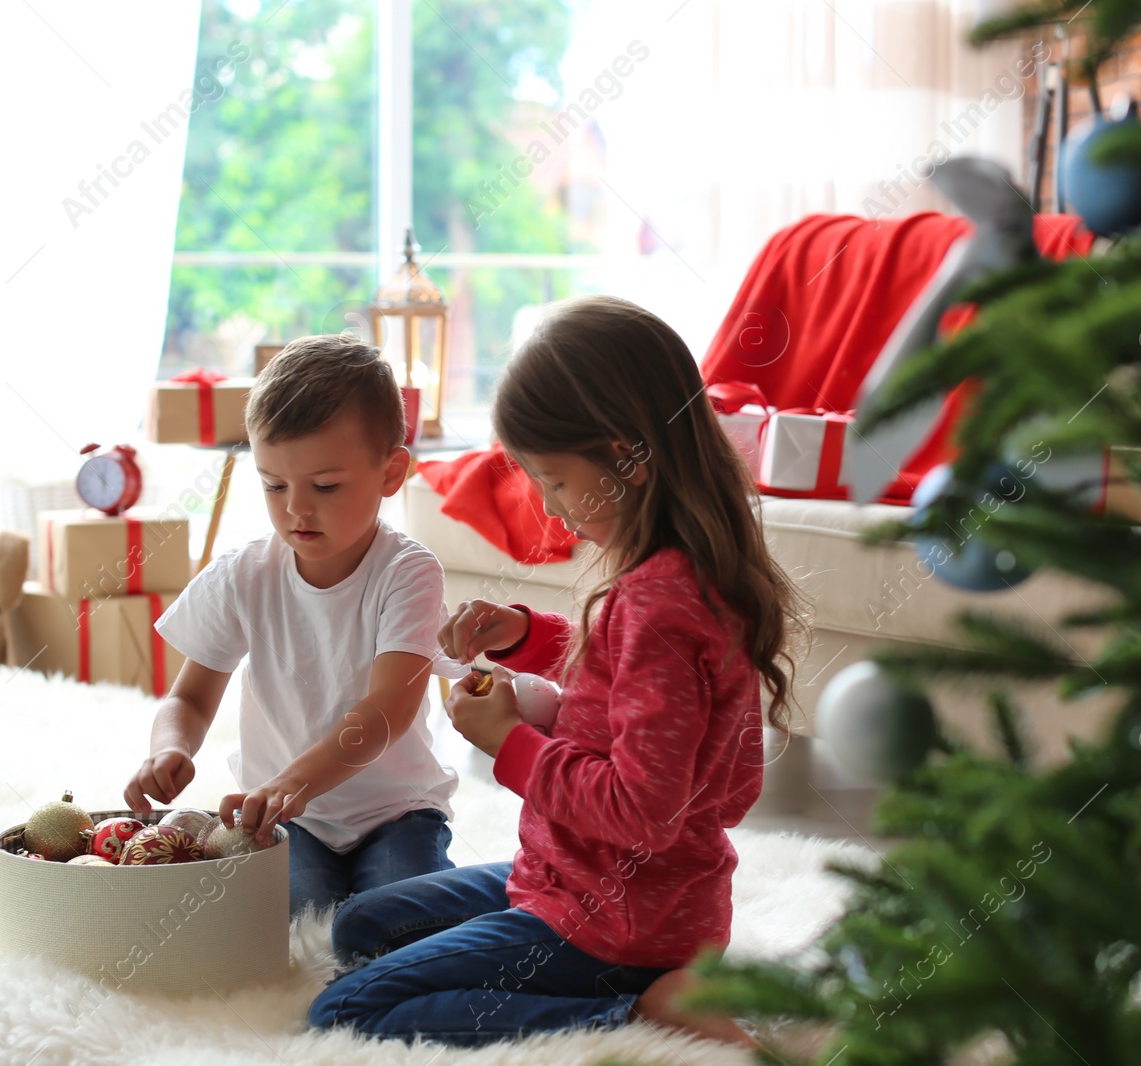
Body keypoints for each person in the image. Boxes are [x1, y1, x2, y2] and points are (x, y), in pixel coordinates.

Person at [307, 295, 805, 1046]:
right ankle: (643, 978)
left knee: (343, 1008)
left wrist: (508, 742)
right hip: (605, 885)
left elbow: (645, 813)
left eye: (557, 481)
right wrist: (523, 635)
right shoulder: (680, 579)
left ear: (627, 457)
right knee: (365, 925)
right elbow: (628, 682)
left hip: (613, 920)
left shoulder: (659, 606)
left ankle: (635, 1010)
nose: (551, 507)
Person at [123, 334, 464, 918]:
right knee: (297, 920)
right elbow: (190, 698)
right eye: (274, 485)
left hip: (396, 809)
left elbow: (387, 710)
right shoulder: (243, 574)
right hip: (282, 814)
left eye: (325, 486)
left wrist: (296, 780)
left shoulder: (408, 572)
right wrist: (170, 746)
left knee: (399, 916)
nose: (296, 509)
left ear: (391, 472)